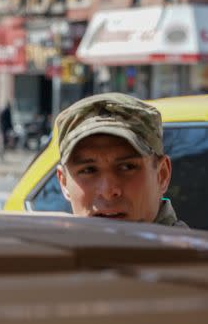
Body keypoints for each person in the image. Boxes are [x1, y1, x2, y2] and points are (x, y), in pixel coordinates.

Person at [54, 92, 186, 227]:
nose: (108, 191)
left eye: (127, 167)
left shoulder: (186, 247)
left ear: (162, 175)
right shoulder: (52, 245)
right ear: (64, 182)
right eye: (89, 170)